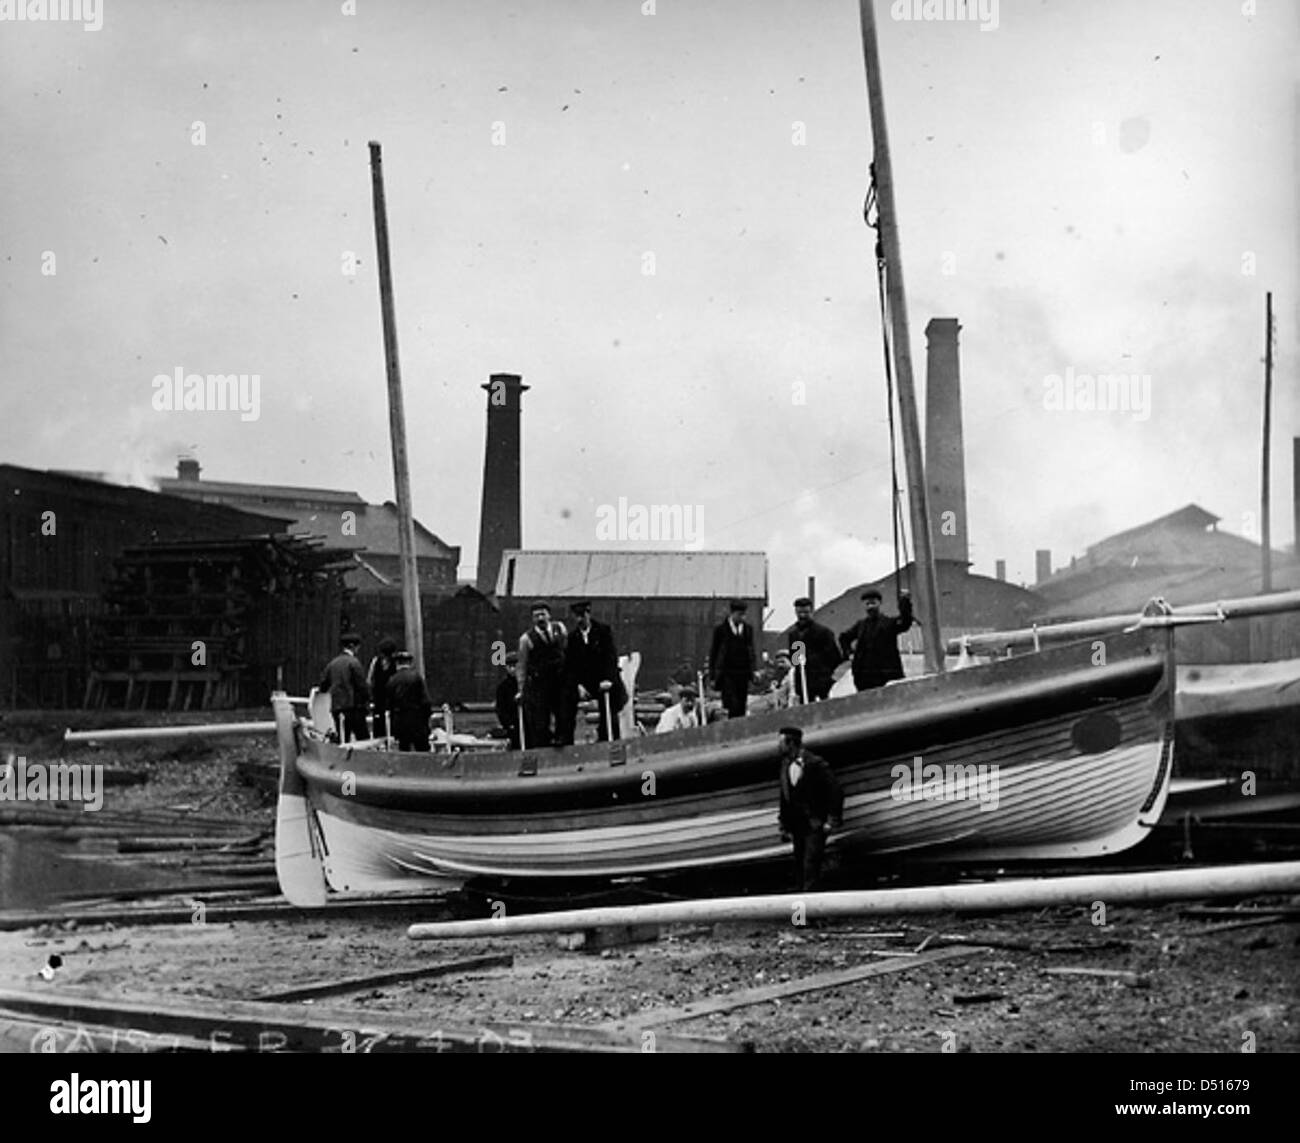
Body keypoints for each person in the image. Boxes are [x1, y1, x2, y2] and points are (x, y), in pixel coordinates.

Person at [776, 726, 843, 892]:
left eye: (781, 743)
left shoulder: (815, 764)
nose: (778, 747)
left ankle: (812, 913)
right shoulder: (785, 766)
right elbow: (785, 798)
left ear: (791, 743)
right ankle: (803, 913)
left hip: (814, 825)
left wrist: (831, 820)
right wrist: (784, 825)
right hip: (797, 826)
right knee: (800, 868)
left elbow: (835, 790)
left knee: (810, 867)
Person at [561, 601, 626, 742]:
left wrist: (608, 679)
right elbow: (571, 665)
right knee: (566, 698)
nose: (579, 620)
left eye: (582, 616)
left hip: (604, 679)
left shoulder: (603, 631)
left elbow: (610, 657)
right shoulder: (573, 638)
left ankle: (609, 738)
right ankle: (565, 740)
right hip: (585, 682)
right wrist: (578, 685)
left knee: (610, 705)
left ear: (588, 614)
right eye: (576, 617)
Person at [838, 588, 914, 691]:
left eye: (873, 603)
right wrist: (850, 654)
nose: (870, 607)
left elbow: (905, 623)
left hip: (887, 677)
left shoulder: (888, 623)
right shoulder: (860, 626)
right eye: (867, 604)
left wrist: (904, 602)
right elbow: (844, 638)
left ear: (880, 603)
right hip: (864, 679)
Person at [516, 601, 567, 748]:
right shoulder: (526, 639)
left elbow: (567, 650)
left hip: (559, 682)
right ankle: (543, 749)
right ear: (533, 619)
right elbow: (522, 665)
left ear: (549, 615)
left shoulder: (560, 629)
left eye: (543, 614)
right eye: (536, 616)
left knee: (563, 716)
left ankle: (563, 746)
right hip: (540, 685)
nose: (540, 618)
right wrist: (521, 689)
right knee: (541, 720)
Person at [788, 597, 843, 702]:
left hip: (821, 680)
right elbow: (794, 659)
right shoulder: (793, 635)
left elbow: (835, 657)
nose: (802, 616)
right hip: (803, 681)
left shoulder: (824, 633)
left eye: (806, 612)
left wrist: (825, 673)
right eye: (799, 612)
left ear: (811, 612)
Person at [709, 599, 756, 719]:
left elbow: (751, 651)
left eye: (744, 615)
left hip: (743, 673)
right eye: (740, 615)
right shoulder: (721, 630)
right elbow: (714, 653)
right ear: (732, 613)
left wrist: (753, 671)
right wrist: (713, 675)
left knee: (741, 704)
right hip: (727, 674)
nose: (742, 618)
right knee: (730, 704)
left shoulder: (747, 630)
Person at [318, 632, 369, 743]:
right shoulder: (354, 663)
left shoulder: (332, 664)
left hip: (337, 707)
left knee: (342, 738)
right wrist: (367, 701)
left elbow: (323, 686)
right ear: (353, 646)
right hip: (354, 707)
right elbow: (361, 686)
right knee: (363, 739)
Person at [386, 650, 433, 752]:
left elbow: (390, 703)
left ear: (397, 663)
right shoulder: (417, 678)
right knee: (423, 750)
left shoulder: (392, 680)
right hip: (418, 721)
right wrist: (427, 717)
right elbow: (426, 701)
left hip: (400, 722)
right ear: (410, 663)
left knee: (404, 750)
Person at [367, 637, 399, 736]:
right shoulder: (395, 663)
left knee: (382, 722)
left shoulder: (376, 661)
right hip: (386, 698)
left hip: (382, 698)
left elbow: (369, 680)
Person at [495, 651, 520, 749]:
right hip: (513, 725)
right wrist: (508, 724)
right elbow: (501, 709)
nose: (513, 669)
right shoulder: (503, 687)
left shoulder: (527, 683)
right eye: (510, 666)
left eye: (515, 665)